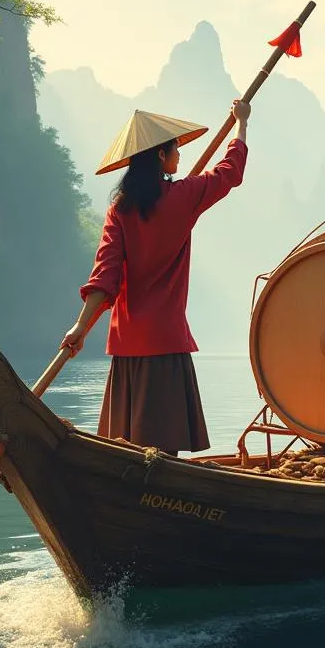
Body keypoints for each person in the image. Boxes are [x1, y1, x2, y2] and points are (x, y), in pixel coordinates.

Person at [60, 100, 252, 455]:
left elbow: (105, 277)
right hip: (165, 343)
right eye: (175, 147)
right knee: (163, 451)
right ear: (161, 155)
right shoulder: (183, 197)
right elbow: (230, 172)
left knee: (127, 448)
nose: (179, 153)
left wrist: (80, 328)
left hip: (128, 346)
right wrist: (241, 124)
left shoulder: (120, 210)